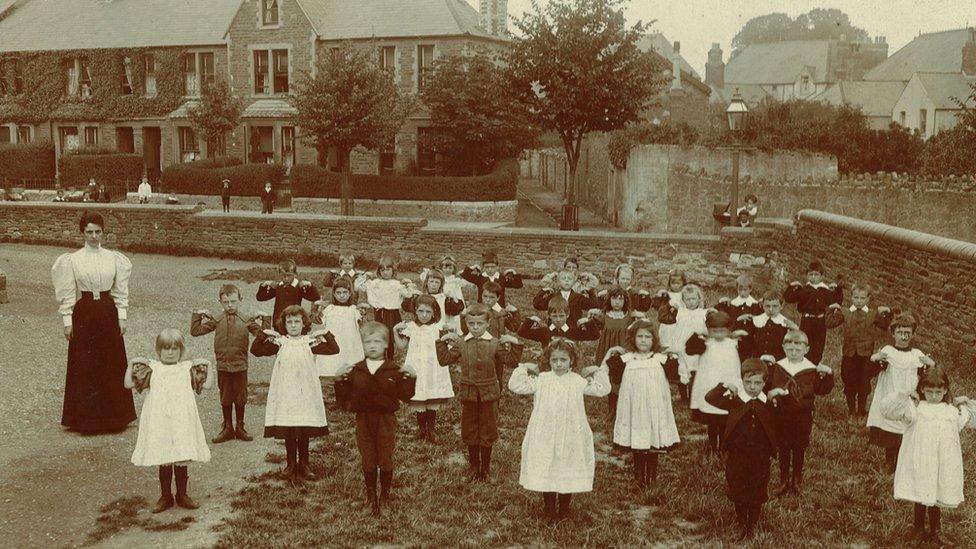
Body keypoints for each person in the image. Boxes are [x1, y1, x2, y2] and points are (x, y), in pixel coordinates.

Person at [51, 211, 137, 433]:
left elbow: (120, 290)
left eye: (98, 232)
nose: (94, 236)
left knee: (110, 363)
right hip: (85, 314)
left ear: (103, 232)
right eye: (89, 232)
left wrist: (122, 317)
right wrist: (67, 320)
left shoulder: (113, 258)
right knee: (86, 366)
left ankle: (114, 418)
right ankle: (86, 420)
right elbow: (69, 292)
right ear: (82, 233)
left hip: (108, 312)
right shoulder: (73, 259)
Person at [508, 339, 610, 525]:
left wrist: (599, 371)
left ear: (572, 360)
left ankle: (564, 510)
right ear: (549, 361)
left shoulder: (577, 381)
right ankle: (549, 510)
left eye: (563, 359)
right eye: (554, 360)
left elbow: (602, 390)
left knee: (566, 466)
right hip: (545, 432)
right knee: (548, 465)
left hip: (571, 432)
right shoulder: (543, 380)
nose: (559, 364)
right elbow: (515, 386)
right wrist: (523, 368)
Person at [881, 366, 974, 545]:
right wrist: (905, 396)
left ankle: (935, 529)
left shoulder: (950, 411)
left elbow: (966, 420)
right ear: (922, 389)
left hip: (941, 460)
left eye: (938, 392)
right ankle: (918, 528)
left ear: (945, 390)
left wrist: (963, 403)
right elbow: (889, 411)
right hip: (920, 459)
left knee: (936, 492)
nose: (933, 396)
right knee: (921, 491)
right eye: (929, 391)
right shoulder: (916, 408)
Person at [125, 329, 214, 513]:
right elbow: (128, 384)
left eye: (174, 348)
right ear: (159, 350)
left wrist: (208, 365)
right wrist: (131, 364)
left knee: (181, 454)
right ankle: (165, 495)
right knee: (164, 455)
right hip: (160, 420)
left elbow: (208, 385)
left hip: (182, 419)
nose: (170, 352)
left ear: (181, 351)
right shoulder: (152, 369)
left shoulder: (187, 369)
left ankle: (182, 494)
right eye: (166, 349)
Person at [334, 322, 417, 516]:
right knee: (368, 458)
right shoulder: (356, 370)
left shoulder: (393, 370)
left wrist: (411, 377)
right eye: (368, 342)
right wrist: (339, 380)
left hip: (386, 421)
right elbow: (343, 399)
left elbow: (406, 396)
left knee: (385, 457)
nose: (372, 346)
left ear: (386, 344)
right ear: (362, 345)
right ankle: (371, 496)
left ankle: (385, 496)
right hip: (363, 420)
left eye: (377, 341)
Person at [250, 305, 340, 483]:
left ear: (304, 323)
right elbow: (256, 351)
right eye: (289, 322)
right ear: (283, 324)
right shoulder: (280, 343)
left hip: (305, 390)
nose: (293, 325)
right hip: (285, 390)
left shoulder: (309, 342)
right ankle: (291, 464)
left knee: (303, 425)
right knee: (289, 426)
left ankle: (304, 464)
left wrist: (326, 334)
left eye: (297, 321)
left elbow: (333, 349)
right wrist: (264, 334)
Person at [436, 304, 520, 481]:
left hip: (489, 394)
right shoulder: (461, 343)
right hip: (469, 394)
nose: (475, 328)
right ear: (466, 322)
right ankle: (474, 467)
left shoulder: (495, 343)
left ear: (488, 323)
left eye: (479, 324)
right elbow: (444, 360)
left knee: (488, 430)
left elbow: (511, 362)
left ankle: (486, 469)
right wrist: (442, 341)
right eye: (471, 323)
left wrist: (515, 344)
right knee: (470, 429)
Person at [704, 359, 777, 540]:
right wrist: (724, 387)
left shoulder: (769, 403)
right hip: (737, 455)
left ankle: (752, 524)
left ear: (765, 382)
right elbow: (709, 398)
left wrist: (779, 393)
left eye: (757, 383)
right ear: (742, 381)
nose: (752, 387)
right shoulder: (734, 400)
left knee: (757, 489)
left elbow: (790, 408)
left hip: (761, 456)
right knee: (737, 487)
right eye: (748, 382)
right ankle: (741, 522)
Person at [606, 319, 680, 488]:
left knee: (653, 439)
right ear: (633, 339)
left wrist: (674, 357)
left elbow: (675, 376)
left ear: (654, 340)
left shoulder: (660, 359)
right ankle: (638, 477)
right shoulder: (627, 359)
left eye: (648, 337)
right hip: (634, 406)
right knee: (638, 441)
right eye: (640, 336)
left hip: (655, 406)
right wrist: (613, 356)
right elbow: (615, 378)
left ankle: (652, 477)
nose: (644, 340)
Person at [763, 329, 834, 496]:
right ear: (783, 348)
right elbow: (767, 386)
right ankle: (783, 479)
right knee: (784, 446)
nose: (794, 353)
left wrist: (828, 375)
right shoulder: (778, 367)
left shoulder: (811, 369)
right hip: (781, 415)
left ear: (806, 349)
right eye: (790, 349)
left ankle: (796, 479)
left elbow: (822, 390)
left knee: (799, 447)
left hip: (803, 416)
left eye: (798, 349)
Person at [190, 284, 265, 443]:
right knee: (225, 397)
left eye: (233, 301)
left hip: (240, 367)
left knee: (240, 397)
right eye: (226, 302)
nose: (230, 305)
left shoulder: (246, 320)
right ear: (220, 302)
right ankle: (227, 428)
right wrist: (198, 315)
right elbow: (195, 331)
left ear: (240, 300)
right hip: (223, 366)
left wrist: (264, 319)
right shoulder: (217, 320)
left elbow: (264, 337)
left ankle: (240, 427)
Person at [867, 313, 936, 473]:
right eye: (900, 333)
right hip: (890, 394)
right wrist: (875, 359)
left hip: (908, 396)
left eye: (907, 333)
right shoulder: (888, 351)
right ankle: (890, 461)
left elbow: (929, 378)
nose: (904, 337)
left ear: (913, 334)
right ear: (893, 333)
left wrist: (931, 365)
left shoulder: (917, 354)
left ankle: (903, 461)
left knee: (905, 428)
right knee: (890, 428)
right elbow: (870, 373)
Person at [824, 283, 893, 417]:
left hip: (866, 355)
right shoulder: (846, 312)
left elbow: (885, 325)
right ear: (852, 297)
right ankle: (851, 410)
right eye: (856, 298)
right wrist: (831, 309)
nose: (859, 301)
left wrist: (887, 312)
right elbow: (829, 323)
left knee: (864, 382)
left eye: (862, 298)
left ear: (868, 299)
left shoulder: (873, 314)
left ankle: (861, 410)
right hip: (849, 354)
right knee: (849, 381)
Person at [685, 311, 747, 456]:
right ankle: (713, 446)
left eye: (722, 331)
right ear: (708, 330)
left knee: (726, 417)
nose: (718, 335)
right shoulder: (705, 343)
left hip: (728, 383)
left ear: (728, 330)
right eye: (714, 331)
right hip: (709, 385)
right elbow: (689, 349)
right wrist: (698, 334)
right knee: (712, 419)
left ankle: (724, 446)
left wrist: (739, 334)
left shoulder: (733, 343)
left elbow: (746, 350)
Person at [394, 295, 454, 442]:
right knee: (419, 396)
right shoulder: (411, 328)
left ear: (434, 312)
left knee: (432, 396)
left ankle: (431, 429)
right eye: (421, 311)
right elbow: (401, 346)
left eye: (428, 312)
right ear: (415, 311)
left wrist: (450, 335)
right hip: (417, 367)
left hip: (434, 368)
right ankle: (421, 429)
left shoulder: (438, 328)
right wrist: (395, 331)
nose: (424, 315)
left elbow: (449, 347)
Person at [657, 283, 708, 403]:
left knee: (694, 371)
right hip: (681, 346)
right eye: (687, 299)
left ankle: (692, 397)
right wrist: (669, 305)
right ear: (683, 300)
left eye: (693, 299)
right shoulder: (679, 312)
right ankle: (683, 397)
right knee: (681, 371)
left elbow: (711, 326)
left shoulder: (703, 313)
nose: (691, 302)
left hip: (696, 347)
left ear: (699, 299)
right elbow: (662, 317)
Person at [784, 261, 844, 364]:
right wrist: (791, 287)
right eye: (810, 274)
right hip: (806, 321)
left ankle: (814, 367)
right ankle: (804, 366)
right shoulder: (804, 290)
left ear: (821, 276)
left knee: (818, 348)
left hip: (820, 322)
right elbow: (789, 298)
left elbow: (837, 301)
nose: (813, 277)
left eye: (816, 275)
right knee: (804, 344)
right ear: (807, 276)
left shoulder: (826, 291)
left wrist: (838, 290)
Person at [359, 253, 413, 360]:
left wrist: (407, 285)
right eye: (382, 270)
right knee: (380, 334)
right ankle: (381, 358)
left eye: (388, 270)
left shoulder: (396, 284)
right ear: (379, 271)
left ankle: (390, 358)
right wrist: (364, 277)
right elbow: (360, 287)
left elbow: (408, 294)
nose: (385, 273)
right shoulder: (375, 283)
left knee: (390, 337)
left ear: (393, 271)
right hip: (379, 312)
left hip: (392, 314)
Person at [311, 277, 365, 378]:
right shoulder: (329, 309)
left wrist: (362, 314)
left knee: (350, 365)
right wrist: (317, 309)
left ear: (350, 293)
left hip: (349, 343)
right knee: (332, 365)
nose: (342, 295)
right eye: (338, 293)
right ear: (334, 294)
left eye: (345, 292)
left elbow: (361, 325)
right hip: (334, 342)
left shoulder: (353, 310)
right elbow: (318, 321)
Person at [256, 259, 321, 328]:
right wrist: (263, 285)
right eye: (283, 275)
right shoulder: (278, 286)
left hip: (294, 323)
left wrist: (310, 285)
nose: (286, 278)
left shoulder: (299, 287)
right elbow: (260, 298)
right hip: (279, 323)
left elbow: (316, 298)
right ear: (279, 274)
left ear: (295, 274)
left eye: (289, 275)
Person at [737, 290, 797, 361]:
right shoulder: (756, 321)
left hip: (778, 362)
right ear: (763, 306)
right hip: (758, 361)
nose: (771, 309)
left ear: (781, 306)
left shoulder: (786, 324)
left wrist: (796, 329)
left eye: (775, 306)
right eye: (767, 306)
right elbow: (747, 345)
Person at [404, 269, 463, 337]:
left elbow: (456, 310)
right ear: (427, 283)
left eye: (437, 282)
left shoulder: (444, 298)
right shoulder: (421, 297)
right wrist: (411, 296)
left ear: (441, 284)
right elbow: (407, 307)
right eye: (431, 282)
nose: (434, 285)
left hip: (439, 330)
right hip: (423, 328)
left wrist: (453, 298)